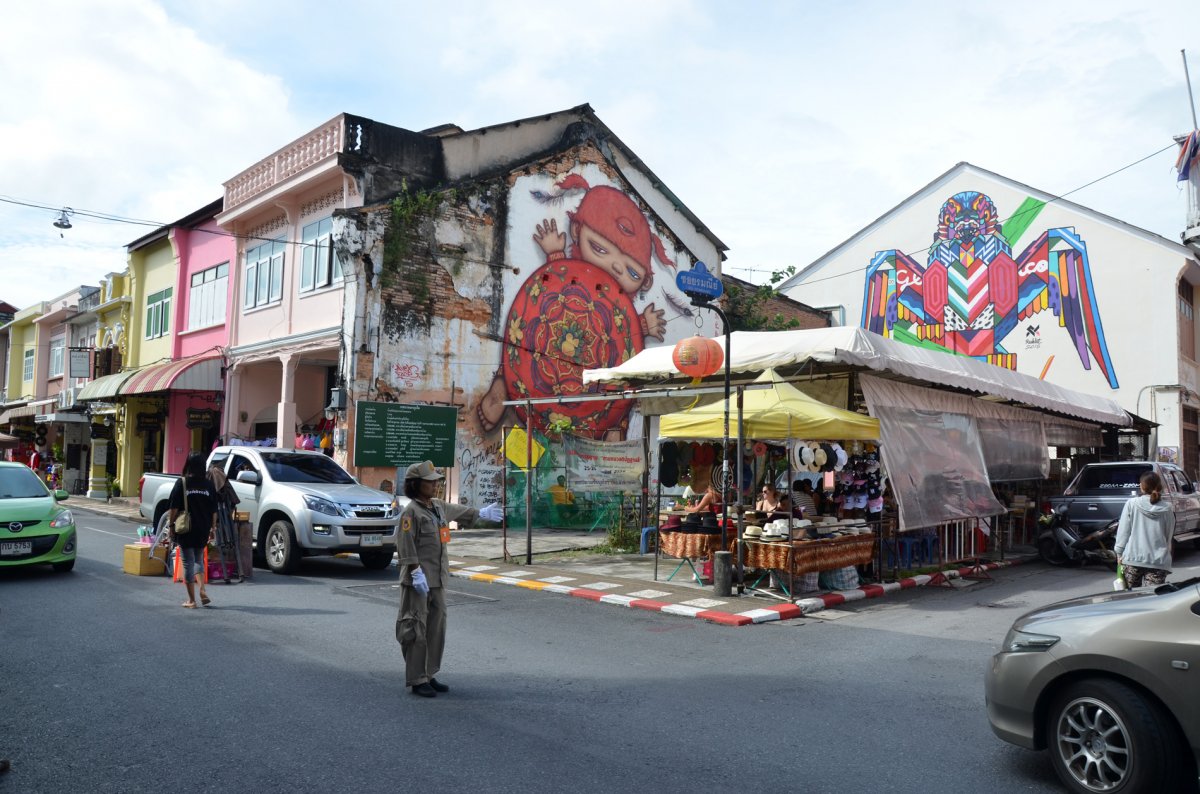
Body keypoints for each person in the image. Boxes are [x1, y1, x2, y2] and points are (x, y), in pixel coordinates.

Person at [395, 460, 501, 698]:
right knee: (415, 627)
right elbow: (404, 544)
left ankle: (429, 673)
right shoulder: (411, 512)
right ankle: (416, 678)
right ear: (416, 484)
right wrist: (415, 571)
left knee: (436, 628)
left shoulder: (437, 507)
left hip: (438, 579)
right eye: (430, 481)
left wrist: (482, 512)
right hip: (418, 580)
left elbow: (459, 512)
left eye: (436, 481)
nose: (435, 484)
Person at [167, 452, 218, 609]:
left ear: (188, 465)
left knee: (187, 562)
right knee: (198, 559)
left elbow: (174, 508)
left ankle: (191, 600)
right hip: (203, 528)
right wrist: (213, 528)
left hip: (185, 528)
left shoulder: (182, 483)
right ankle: (202, 589)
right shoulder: (209, 485)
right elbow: (214, 510)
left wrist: (171, 526)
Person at [1115, 471, 1175, 589]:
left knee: (1131, 598)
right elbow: (1169, 535)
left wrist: (1119, 553)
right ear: (1159, 486)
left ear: (1142, 486)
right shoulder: (1167, 509)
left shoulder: (1131, 504)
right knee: (1153, 600)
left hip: (1133, 559)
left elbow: (1123, 531)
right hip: (1158, 561)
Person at [208, 459, 243, 584]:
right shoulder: (217, 478)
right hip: (220, 513)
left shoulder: (214, 476)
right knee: (228, 541)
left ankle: (233, 574)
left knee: (230, 540)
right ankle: (237, 573)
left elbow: (232, 501)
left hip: (223, 514)